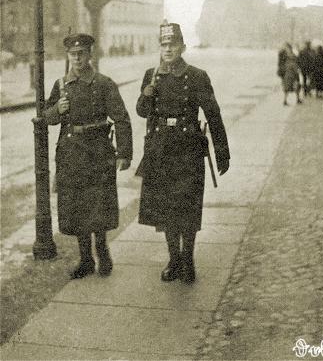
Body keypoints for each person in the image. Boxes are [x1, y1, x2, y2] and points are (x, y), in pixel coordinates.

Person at [136, 21, 230, 283]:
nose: (168, 49)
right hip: (160, 150)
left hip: (187, 150)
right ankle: (173, 260)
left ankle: (188, 260)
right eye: (164, 45)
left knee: (187, 207)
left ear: (182, 47)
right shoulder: (151, 75)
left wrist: (222, 151)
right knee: (166, 208)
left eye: (173, 45)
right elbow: (142, 111)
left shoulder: (197, 76)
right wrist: (147, 93)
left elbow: (213, 114)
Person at [44, 33, 133, 279]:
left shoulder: (104, 84)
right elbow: (46, 118)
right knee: (76, 206)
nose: (77, 58)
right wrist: (57, 110)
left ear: (89, 55)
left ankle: (102, 251)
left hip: (98, 151)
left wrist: (124, 153)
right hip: (71, 152)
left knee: (99, 203)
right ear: (68, 56)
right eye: (73, 54)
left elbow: (121, 118)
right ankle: (85, 260)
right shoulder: (61, 85)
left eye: (81, 53)